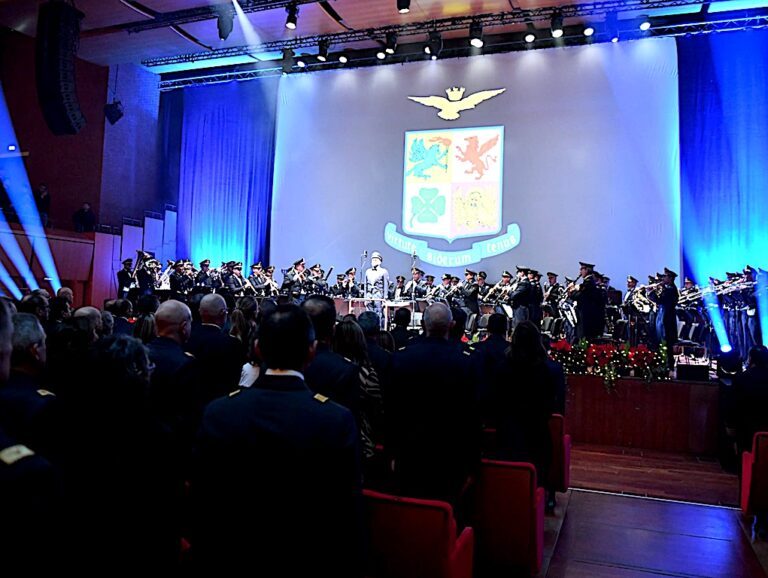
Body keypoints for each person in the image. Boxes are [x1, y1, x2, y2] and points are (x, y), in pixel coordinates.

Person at [191, 304, 363, 576]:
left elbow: (203, 501)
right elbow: (345, 513)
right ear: (311, 352)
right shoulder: (335, 419)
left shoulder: (219, 412)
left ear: (257, 349)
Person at [388, 303, 480, 506]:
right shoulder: (466, 361)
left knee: (410, 515)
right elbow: (472, 415)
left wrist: (392, 452)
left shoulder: (401, 357)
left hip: (410, 451)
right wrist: (472, 464)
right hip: (451, 454)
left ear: (422, 324)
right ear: (452, 325)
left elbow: (392, 409)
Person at [364, 251, 389, 325]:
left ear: (380, 261)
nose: (374, 261)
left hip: (378, 295)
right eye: (372, 259)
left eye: (376, 259)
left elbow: (385, 286)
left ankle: (378, 329)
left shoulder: (383, 271)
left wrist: (385, 298)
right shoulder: (368, 271)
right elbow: (365, 285)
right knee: (368, 313)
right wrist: (365, 297)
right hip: (369, 295)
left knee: (378, 314)